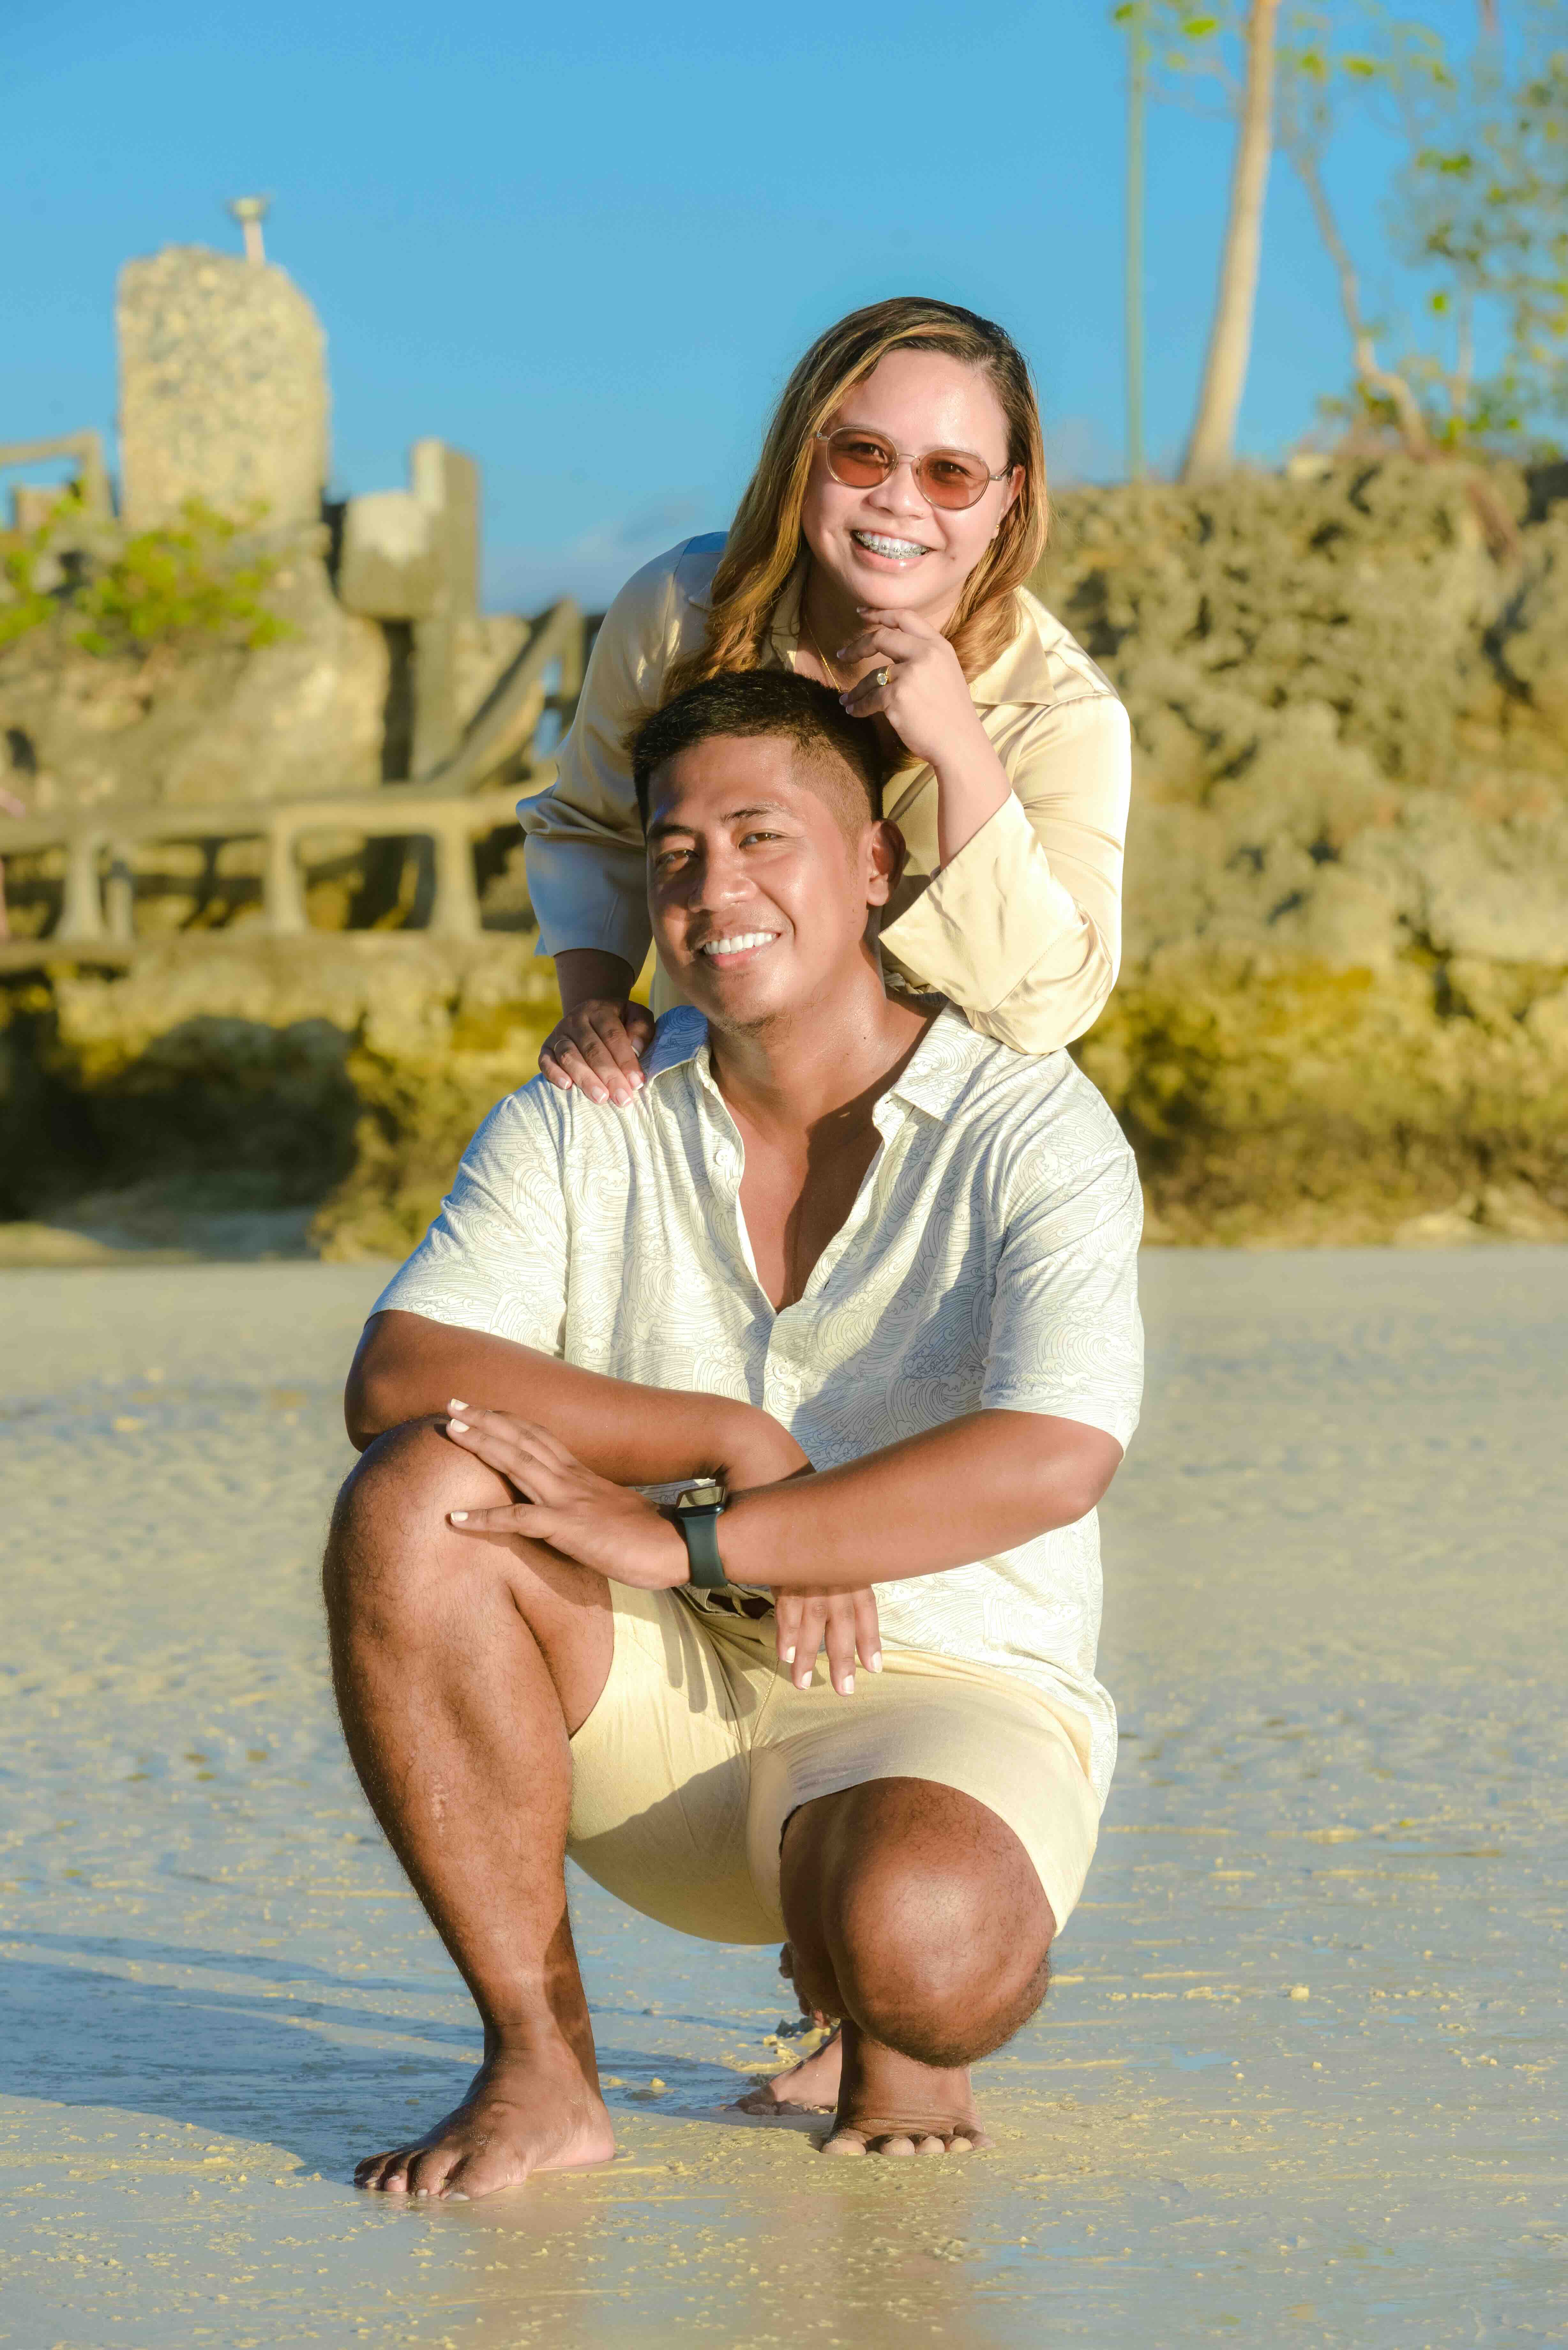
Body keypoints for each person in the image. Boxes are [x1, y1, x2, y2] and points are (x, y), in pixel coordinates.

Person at [325, 671, 1142, 2200]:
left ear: (874, 867)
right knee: (415, 1495)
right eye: (676, 851)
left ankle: (878, 1996)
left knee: (927, 1947)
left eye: (762, 835)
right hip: (663, 1712)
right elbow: (400, 1364)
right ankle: (537, 2063)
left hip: (944, 1691)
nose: (715, 887)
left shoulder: (1026, 1120)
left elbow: (1053, 1454)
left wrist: (700, 1532)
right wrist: (727, 1439)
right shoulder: (592, 1106)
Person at [521, 295, 1130, 1107]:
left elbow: (1049, 1004)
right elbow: (592, 827)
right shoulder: (674, 612)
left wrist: (961, 753)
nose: (899, 499)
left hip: (940, 1148)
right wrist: (594, 1008)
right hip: (706, 1108)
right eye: (863, 454)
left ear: (1007, 498)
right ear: (799, 458)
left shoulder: (1062, 714)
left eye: (949, 473)